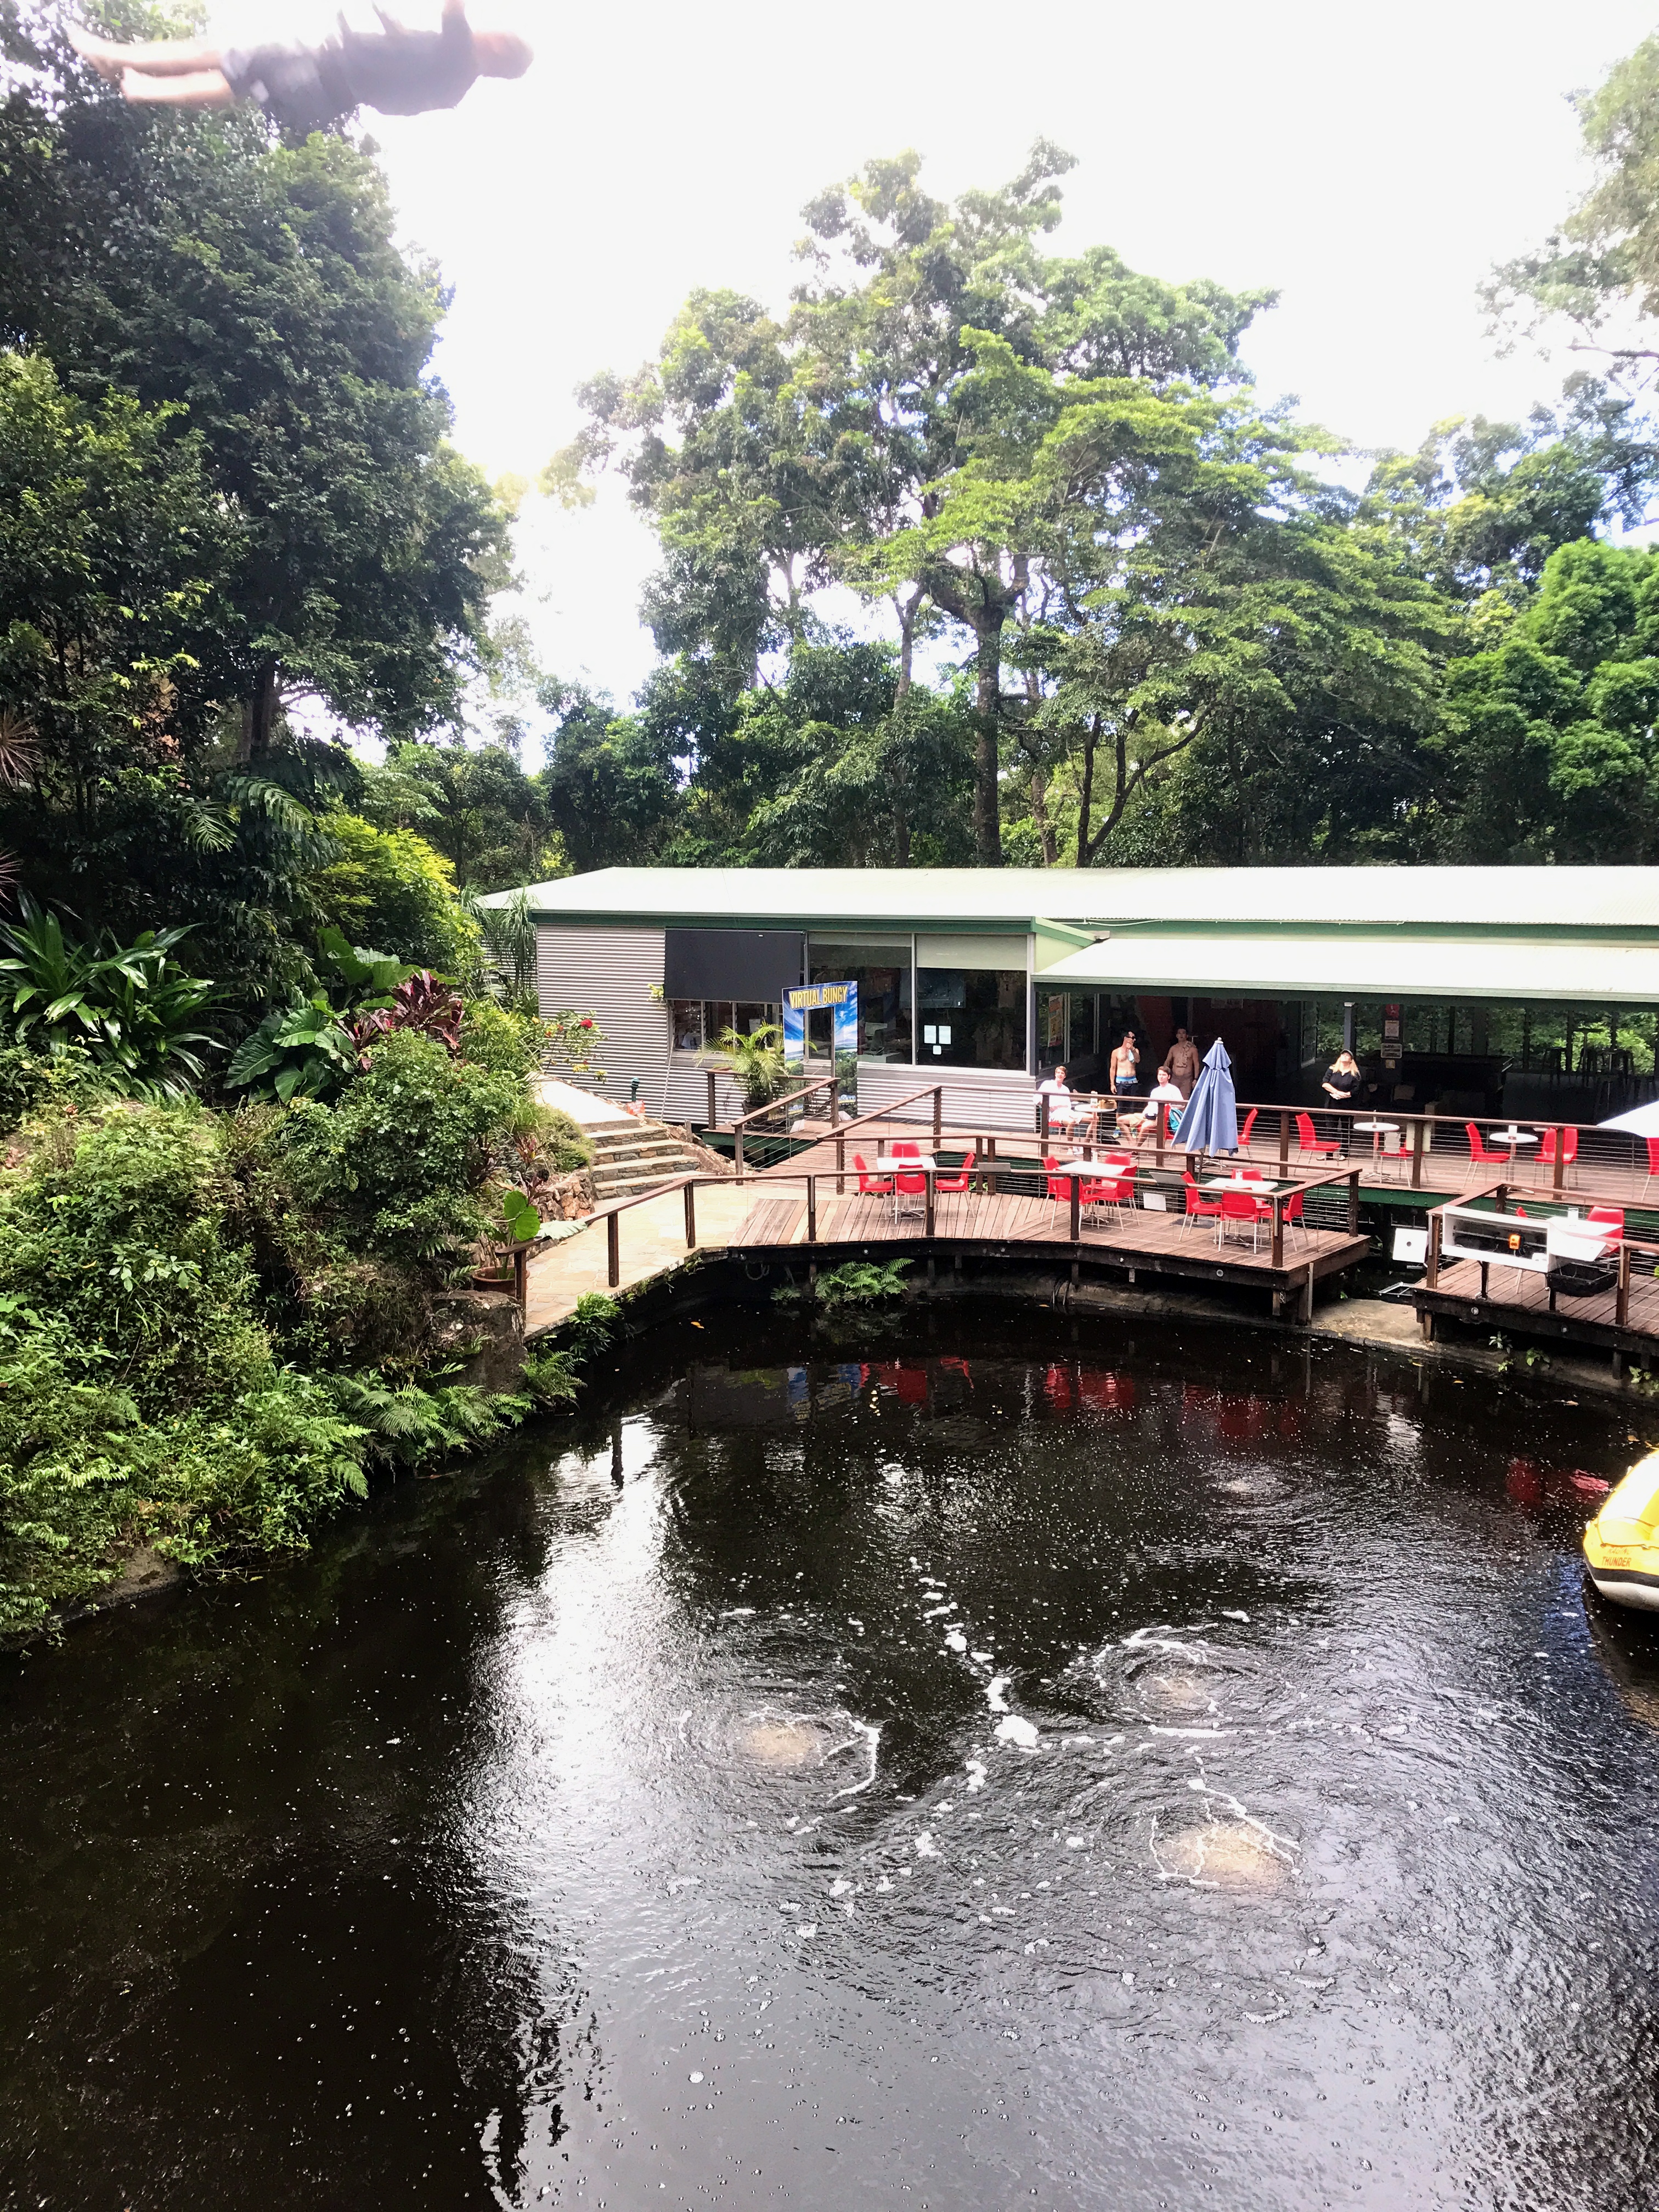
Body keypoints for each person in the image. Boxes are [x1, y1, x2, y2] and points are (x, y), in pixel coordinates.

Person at [68, 2, 532, 131]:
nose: (487, 31)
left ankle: (120, 59)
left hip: (322, 71)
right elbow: (398, 78)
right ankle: (139, 86)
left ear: (497, 53)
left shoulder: (459, 56)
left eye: (498, 36)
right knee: (238, 78)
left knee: (223, 52)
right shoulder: (451, 84)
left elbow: (454, 10)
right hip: (325, 94)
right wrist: (390, 26)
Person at [1131, 1065, 1184, 1147]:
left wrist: (1169, 1107)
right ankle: (1131, 1145)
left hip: (1162, 1118)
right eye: (1160, 1075)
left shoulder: (1174, 1089)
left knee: (1145, 1126)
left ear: (1169, 1077)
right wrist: (1144, 1114)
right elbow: (1150, 1105)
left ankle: (1135, 1150)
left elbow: (1182, 1104)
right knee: (1122, 1120)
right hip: (1148, 1115)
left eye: (1164, 1075)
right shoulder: (1155, 1091)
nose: (1161, 1077)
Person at [1322, 1047, 1362, 1154]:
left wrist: (1347, 1094)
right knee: (1331, 1129)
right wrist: (1337, 1092)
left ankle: (1344, 1153)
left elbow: (1357, 1088)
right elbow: (1325, 1083)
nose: (1345, 1056)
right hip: (1332, 1104)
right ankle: (1329, 1153)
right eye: (1343, 1055)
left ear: (1351, 1060)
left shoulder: (1355, 1074)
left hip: (1348, 1105)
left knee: (1346, 1129)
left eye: (1347, 1055)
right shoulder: (1332, 1069)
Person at [1166, 1027, 1201, 1099]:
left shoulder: (1192, 1049)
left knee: (1184, 1099)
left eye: (1183, 1033)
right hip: (1175, 1078)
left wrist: (1196, 1079)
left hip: (1187, 1079)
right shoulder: (1173, 1048)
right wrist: (1164, 1075)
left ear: (1187, 1036)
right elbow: (1167, 1062)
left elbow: (1196, 1064)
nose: (1181, 1035)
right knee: (1172, 1098)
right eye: (1179, 1033)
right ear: (1177, 1036)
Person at [1109, 1031, 1141, 1100]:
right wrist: (1112, 1084)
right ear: (1126, 1038)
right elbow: (1113, 1068)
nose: (1134, 1040)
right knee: (1120, 1104)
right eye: (1133, 1038)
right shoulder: (1116, 1052)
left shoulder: (1135, 1051)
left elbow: (1138, 1060)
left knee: (1132, 1105)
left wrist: (1132, 1050)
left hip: (1133, 1081)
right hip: (1120, 1082)